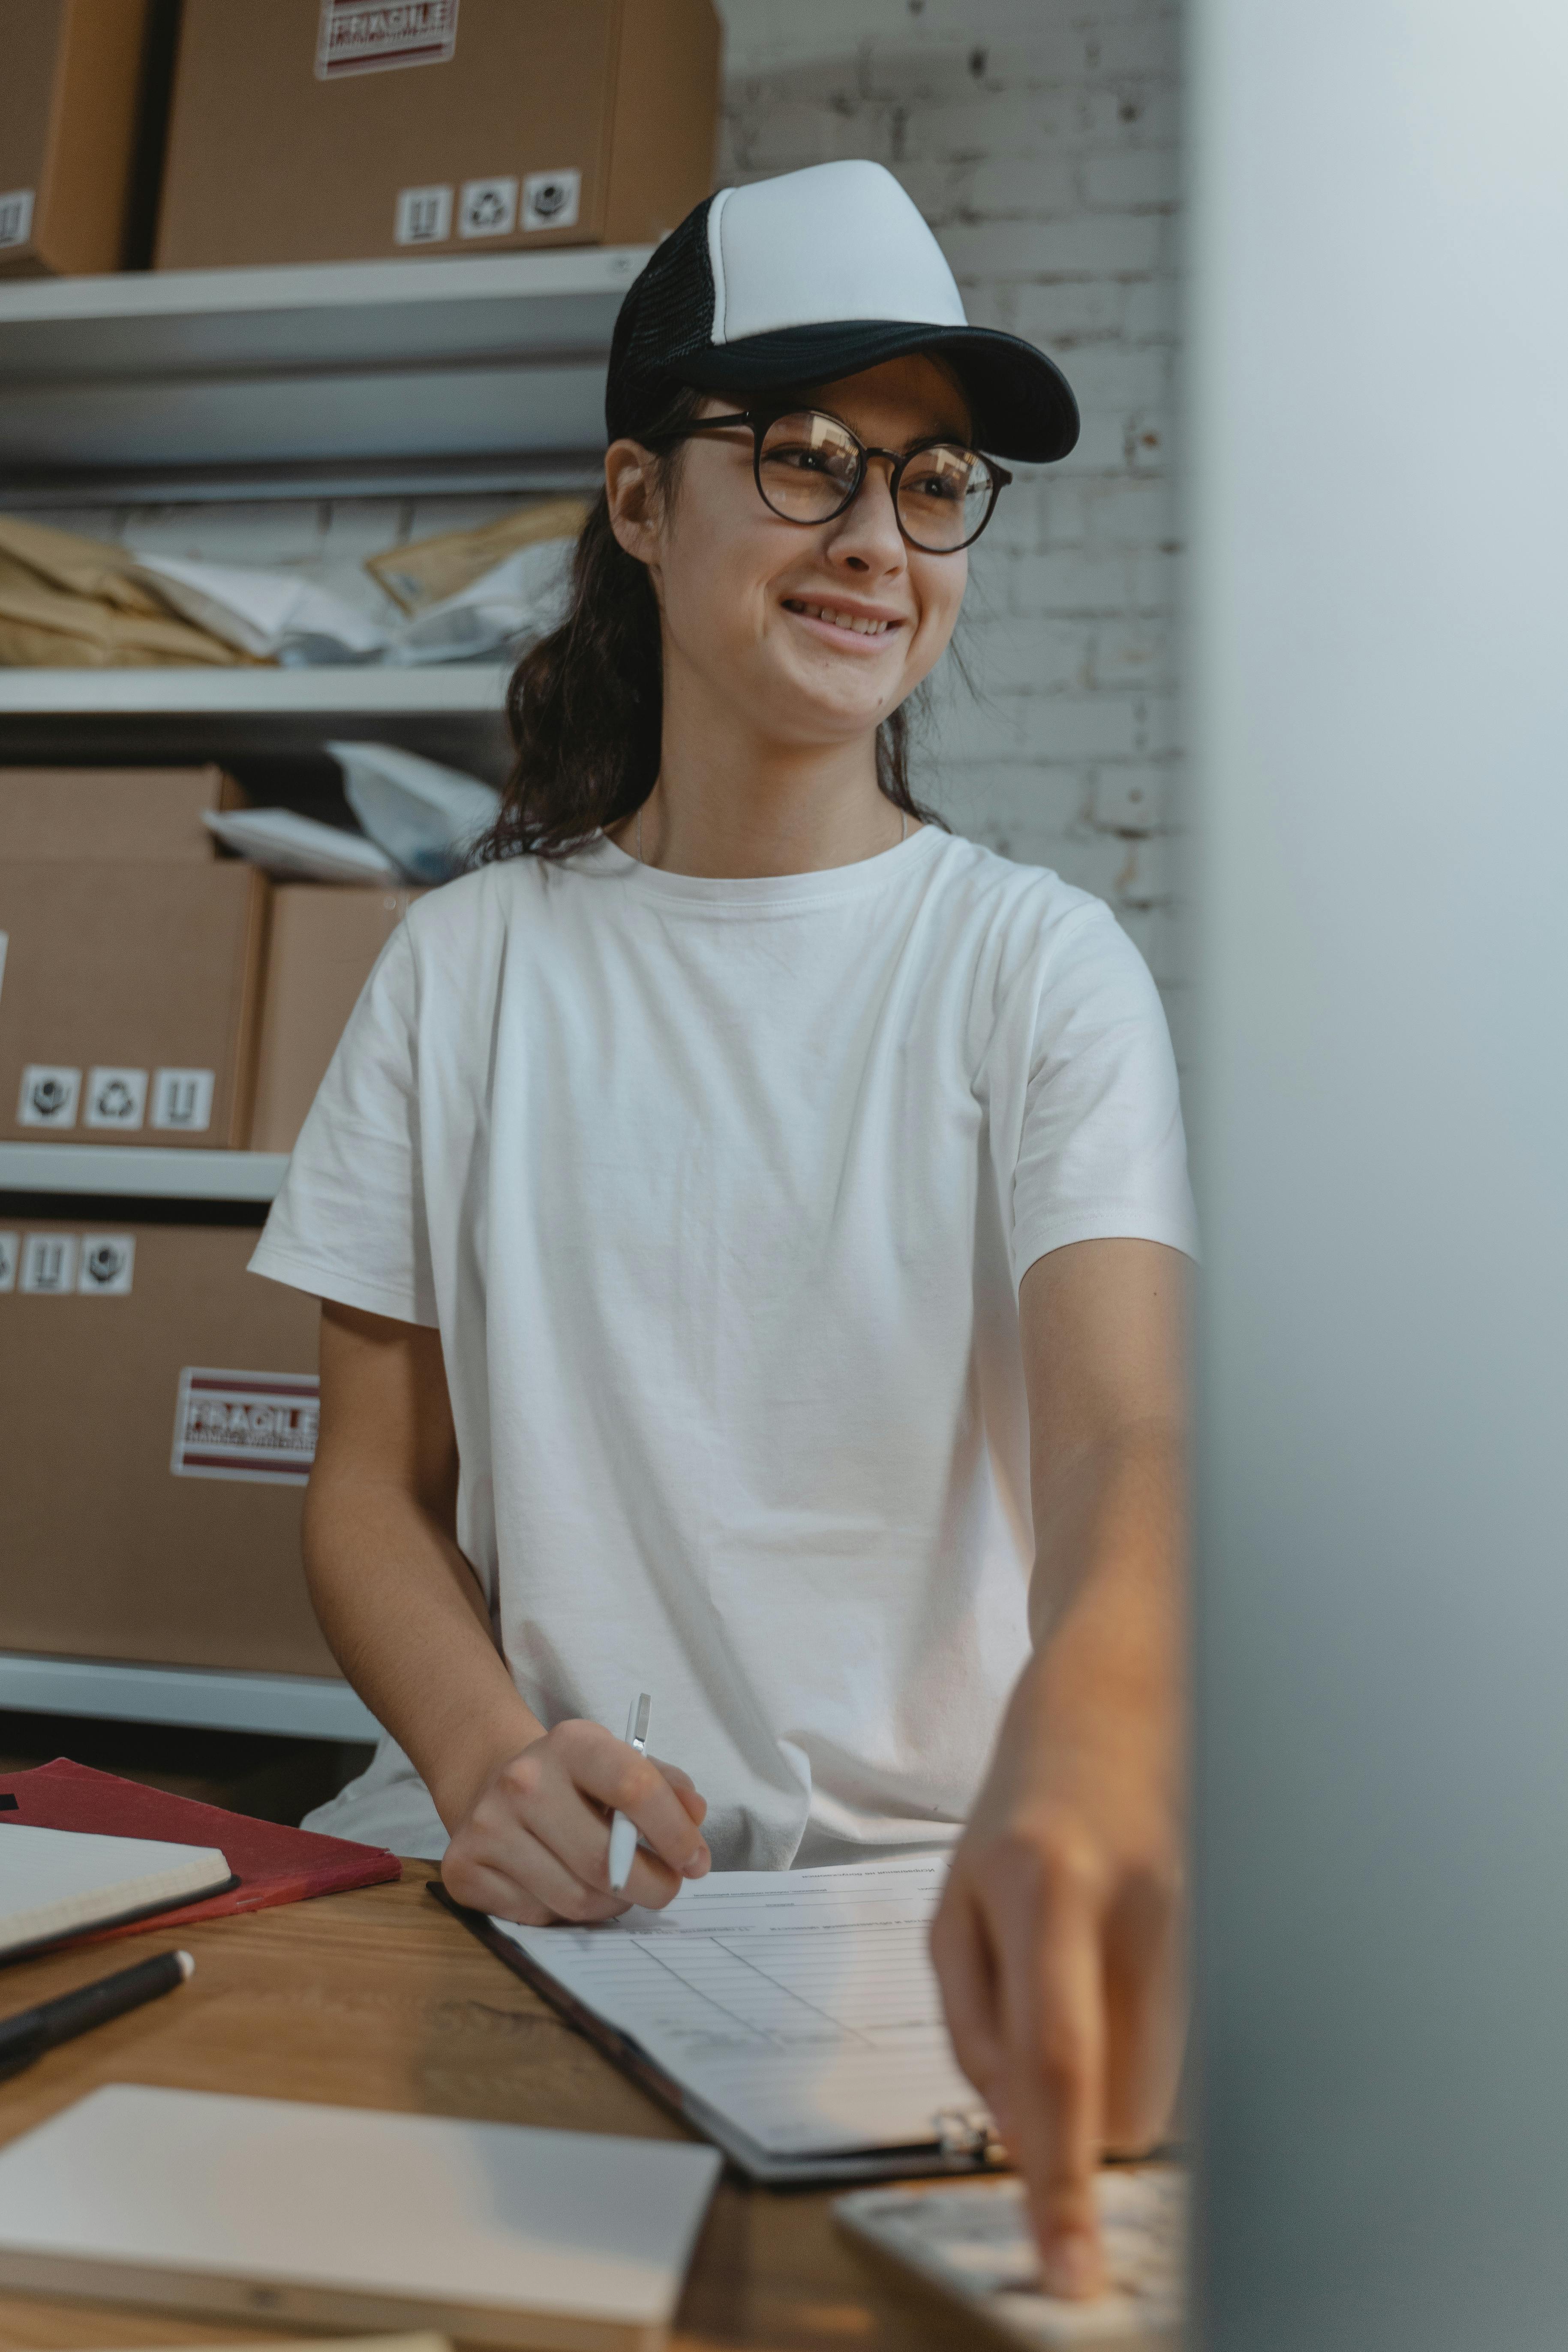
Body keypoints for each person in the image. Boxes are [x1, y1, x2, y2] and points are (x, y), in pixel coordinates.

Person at [251, 159, 1196, 2295]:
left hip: (925, 1905)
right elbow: (366, 1496)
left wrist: (1096, 1749)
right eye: (803, 460)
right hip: (549, 1894)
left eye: (931, 480)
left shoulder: (1036, 971)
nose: (877, 537)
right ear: (639, 498)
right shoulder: (469, 969)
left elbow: (1129, 1447)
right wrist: (488, 1763)